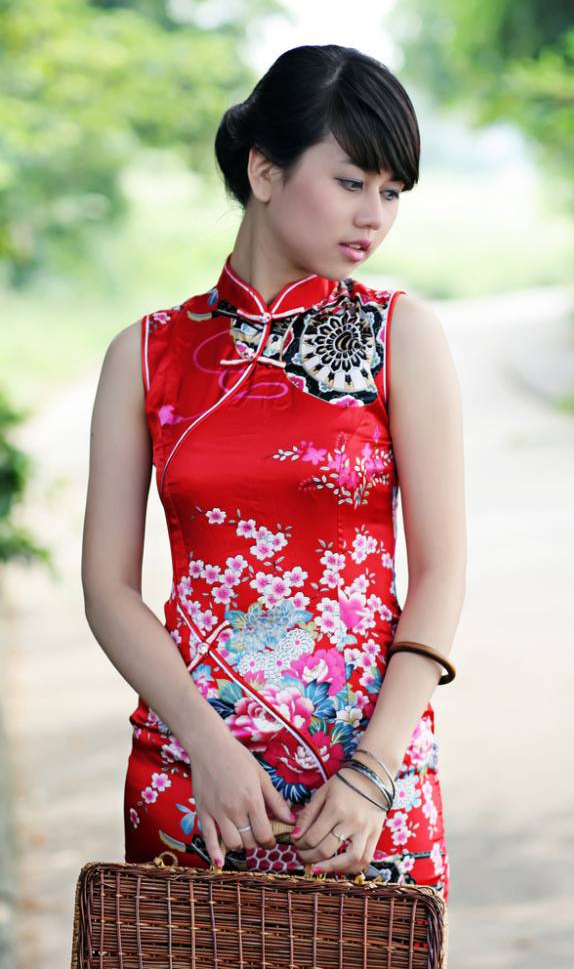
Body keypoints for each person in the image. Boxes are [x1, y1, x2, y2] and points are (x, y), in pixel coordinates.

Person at [81, 44, 466, 901]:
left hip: (366, 792)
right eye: (351, 181)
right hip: (197, 782)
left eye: (392, 191)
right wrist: (205, 746)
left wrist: (373, 771)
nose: (373, 216)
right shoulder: (146, 354)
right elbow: (107, 589)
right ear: (264, 171)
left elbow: (441, 572)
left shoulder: (398, 337)